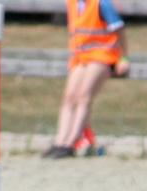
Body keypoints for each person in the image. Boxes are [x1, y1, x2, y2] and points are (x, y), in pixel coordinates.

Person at [41, 0, 130, 159]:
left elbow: (119, 29)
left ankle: (71, 143)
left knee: (83, 96)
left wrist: (123, 58)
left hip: (102, 55)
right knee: (69, 98)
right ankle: (60, 141)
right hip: (80, 57)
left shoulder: (101, 4)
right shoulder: (73, 4)